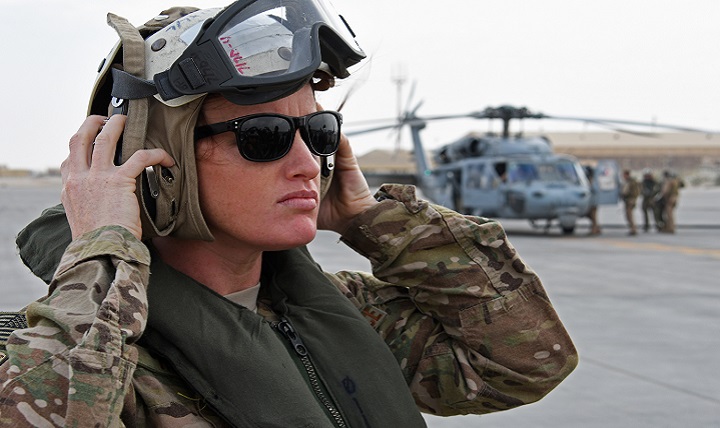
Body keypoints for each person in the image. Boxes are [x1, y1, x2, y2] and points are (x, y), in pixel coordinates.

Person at [0, 2, 577, 426]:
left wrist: (375, 223)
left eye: (319, 130)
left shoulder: (347, 310)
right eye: (265, 134)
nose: (308, 163)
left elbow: (524, 366)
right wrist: (105, 248)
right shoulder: (73, 350)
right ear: (156, 158)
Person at [621, 169, 640, 235]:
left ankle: (633, 229)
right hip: (629, 200)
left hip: (630, 200)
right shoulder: (629, 181)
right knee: (628, 215)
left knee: (630, 215)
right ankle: (632, 229)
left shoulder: (631, 182)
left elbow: (627, 191)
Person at [583, 165, 601, 235]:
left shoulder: (594, 182)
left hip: (594, 202)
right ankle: (597, 228)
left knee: (593, 217)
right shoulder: (593, 181)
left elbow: (595, 190)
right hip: (592, 202)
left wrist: (590, 185)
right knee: (592, 217)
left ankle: (594, 229)